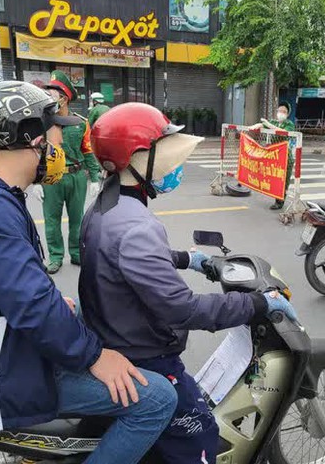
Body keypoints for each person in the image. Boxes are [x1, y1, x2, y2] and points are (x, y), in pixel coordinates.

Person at [0, 82, 177, 463]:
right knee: (158, 398)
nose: (59, 144)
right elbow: (30, 302)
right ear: (31, 137)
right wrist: (96, 358)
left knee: (74, 310)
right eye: (55, 132)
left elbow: (16, 287)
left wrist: (57, 308)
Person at [79, 102, 297, 464]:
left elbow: (120, 261)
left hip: (112, 334)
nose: (175, 163)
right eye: (167, 153)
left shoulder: (105, 205)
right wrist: (258, 304)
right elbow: (182, 308)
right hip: (146, 356)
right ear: (135, 157)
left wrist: (186, 259)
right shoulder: (137, 225)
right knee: (199, 435)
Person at [33, 70, 102, 274]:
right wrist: (36, 181)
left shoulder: (81, 123)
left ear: (63, 98)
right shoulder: (42, 123)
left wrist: (95, 177)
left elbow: (87, 150)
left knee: (77, 219)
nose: (48, 96)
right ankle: (55, 256)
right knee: (51, 220)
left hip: (76, 176)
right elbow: (35, 152)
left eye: (52, 93)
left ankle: (76, 253)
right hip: (51, 178)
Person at [250, 101, 296, 210]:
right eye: (280, 111)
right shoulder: (274, 122)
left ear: (287, 114)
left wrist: (269, 125)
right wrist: (256, 125)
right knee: (273, 177)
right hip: (274, 156)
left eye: (284, 112)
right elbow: (263, 124)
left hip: (285, 157)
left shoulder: (289, 124)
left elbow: (283, 132)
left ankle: (280, 202)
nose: (281, 113)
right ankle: (275, 196)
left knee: (283, 180)